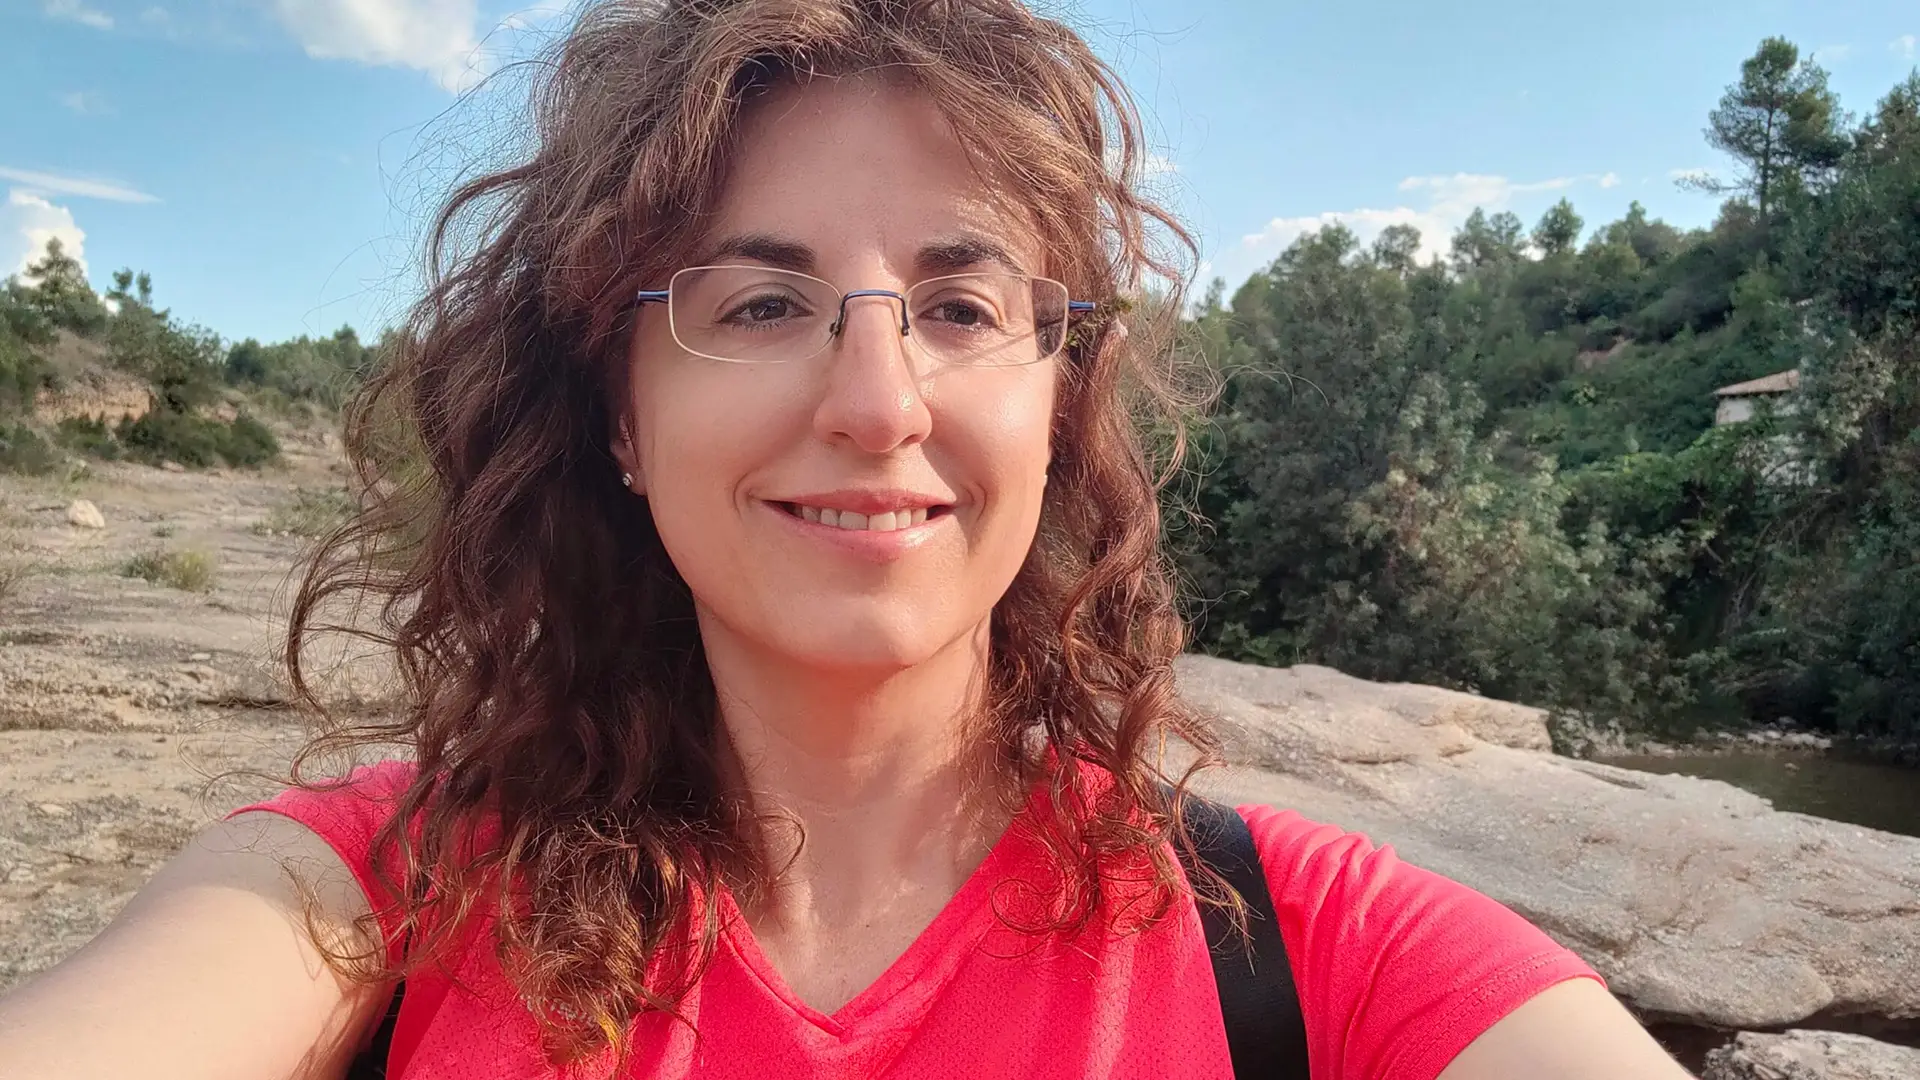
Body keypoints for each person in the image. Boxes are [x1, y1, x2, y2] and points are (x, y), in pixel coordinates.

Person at [0, 2, 1695, 1077]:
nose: (879, 403)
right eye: (759, 303)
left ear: (1058, 398)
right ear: (615, 412)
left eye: (961, 305)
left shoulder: (1309, 955)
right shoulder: (379, 893)